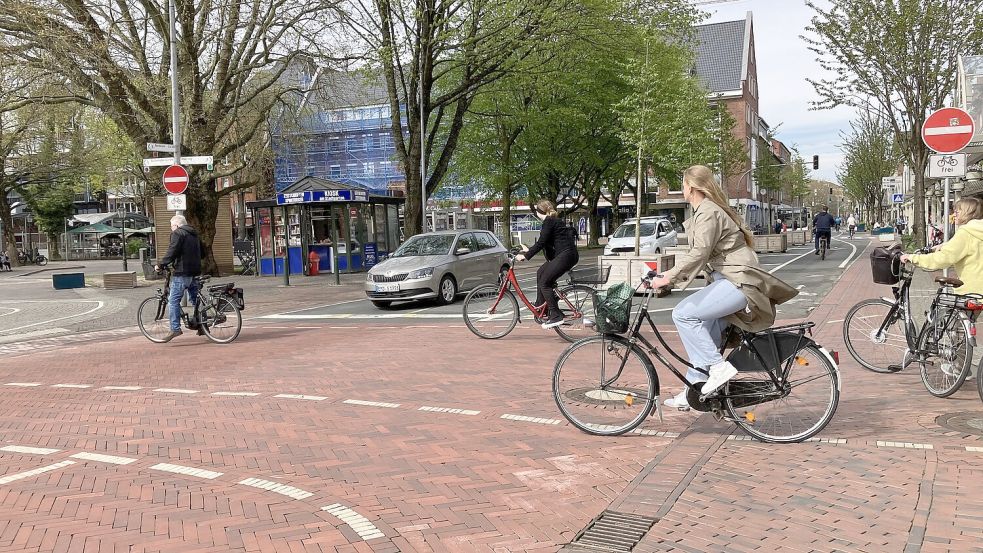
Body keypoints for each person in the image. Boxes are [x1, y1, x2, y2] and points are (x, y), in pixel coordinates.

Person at [647, 165, 798, 410]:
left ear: (692, 187)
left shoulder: (708, 211)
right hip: (729, 280)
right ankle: (692, 391)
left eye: (683, 184)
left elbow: (699, 253)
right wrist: (669, 273)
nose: (682, 188)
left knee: (683, 314)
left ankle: (718, 368)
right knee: (703, 334)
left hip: (738, 281)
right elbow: (703, 256)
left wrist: (668, 278)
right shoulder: (706, 211)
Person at [515, 200, 579, 329]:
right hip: (566, 255)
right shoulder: (553, 221)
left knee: (545, 283)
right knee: (541, 272)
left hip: (566, 255)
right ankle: (541, 307)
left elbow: (541, 242)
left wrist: (526, 256)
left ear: (539, 212)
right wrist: (528, 250)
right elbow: (548, 244)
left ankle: (555, 315)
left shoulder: (548, 222)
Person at [901, 197, 983, 295]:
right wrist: (946, 245)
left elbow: (943, 259)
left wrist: (912, 258)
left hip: (973, 291)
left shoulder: (965, 232)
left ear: (967, 213)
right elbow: (972, 247)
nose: (953, 215)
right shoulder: (978, 230)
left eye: (957, 212)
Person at [154, 215, 202, 342]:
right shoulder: (194, 234)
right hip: (195, 271)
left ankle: (175, 328)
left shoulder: (178, 233)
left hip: (182, 272)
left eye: (171, 227)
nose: (171, 229)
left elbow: (172, 251)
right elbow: (202, 252)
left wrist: (161, 265)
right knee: (195, 300)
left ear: (176, 225)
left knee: (173, 301)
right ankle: (203, 324)